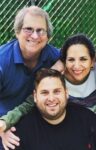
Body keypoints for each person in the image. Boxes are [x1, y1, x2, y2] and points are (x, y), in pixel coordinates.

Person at [0, 34, 96, 149]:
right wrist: (6, 123)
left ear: (92, 61)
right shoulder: (56, 78)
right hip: (65, 129)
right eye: (71, 60)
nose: (77, 65)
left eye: (83, 59)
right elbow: (29, 103)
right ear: (64, 62)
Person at [0, 5, 64, 149]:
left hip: (38, 122)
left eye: (40, 30)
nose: (35, 36)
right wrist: (2, 128)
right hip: (8, 124)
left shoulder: (53, 55)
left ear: (48, 36)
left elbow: (83, 54)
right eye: (28, 29)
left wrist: (63, 63)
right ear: (17, 32)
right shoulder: (2, 61)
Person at [10, 68, 96, 150]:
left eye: (57, 91)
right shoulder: (22, 131)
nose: (51, 98)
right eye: (44, 92)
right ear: (35, 96)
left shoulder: (87, 119)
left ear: (66, 93)